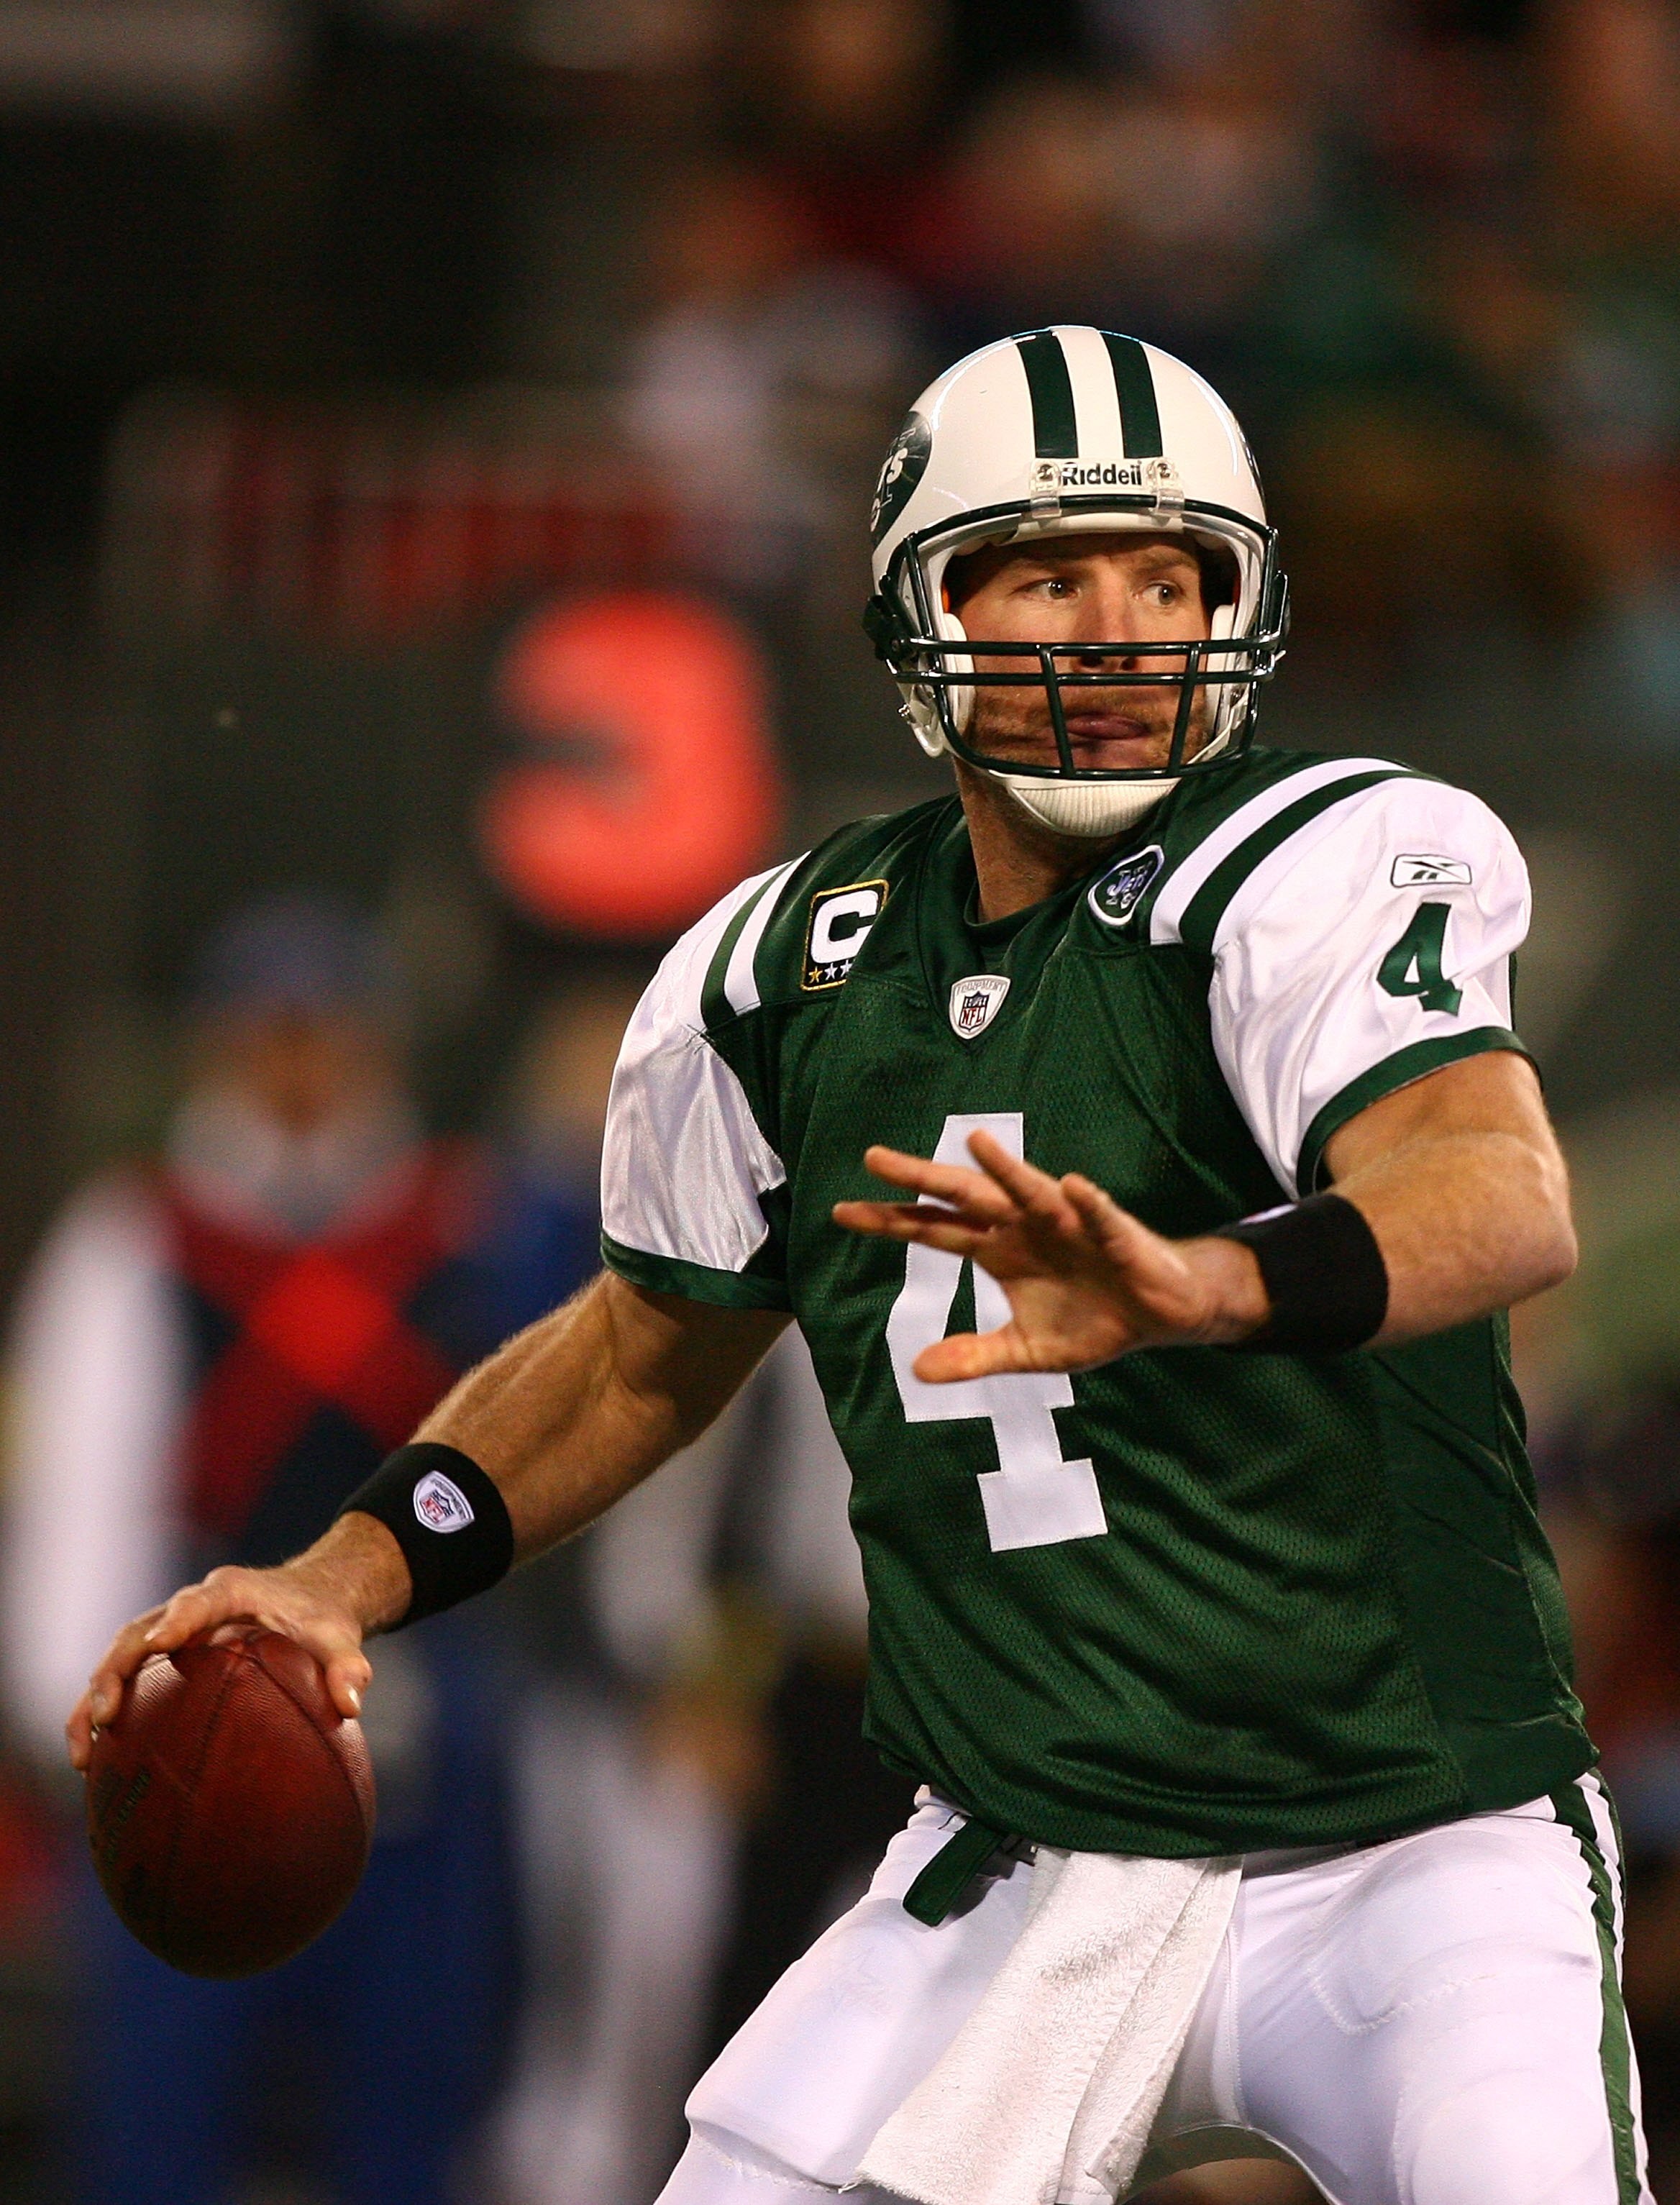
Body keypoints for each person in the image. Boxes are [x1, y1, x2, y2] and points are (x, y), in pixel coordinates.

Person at [71, 329, 1642, 2205]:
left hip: (1411, 1849)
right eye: (1055, 572)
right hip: (1032, 1852)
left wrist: (1211, 1284)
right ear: (929, 615)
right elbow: (644, 1350)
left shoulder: (1311, 863)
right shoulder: (785, 969)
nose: (1124, 624)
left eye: (1173, 575)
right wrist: (344, 1573)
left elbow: (1495, 1186)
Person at [12, 896, 519, 2205]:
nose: (300, 1067)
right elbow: (89, 1490)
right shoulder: (142, 1237)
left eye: (329, 1034)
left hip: (417, 1708)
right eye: (270, 1036)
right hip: (195, 1715)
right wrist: (89, 1716)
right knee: (161, 2102)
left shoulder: (463, 1228)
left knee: (412, 2098)